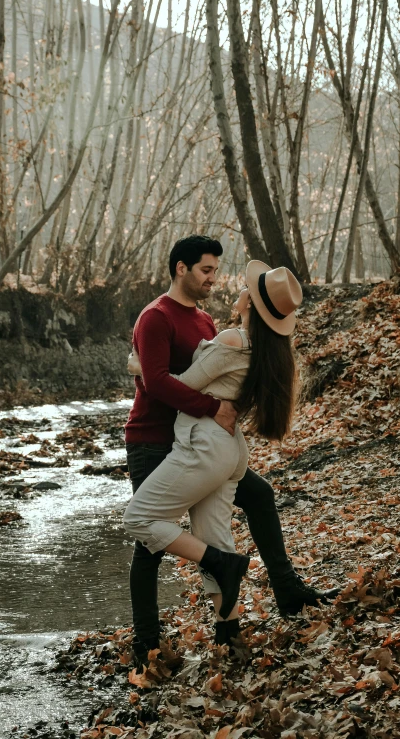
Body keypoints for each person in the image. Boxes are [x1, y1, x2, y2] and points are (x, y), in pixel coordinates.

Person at [123, 236, 339, 664]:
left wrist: (221, 407)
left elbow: (205, 379)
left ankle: (244, 619)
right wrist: (211, 405)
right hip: (153, 438)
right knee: (150, 544)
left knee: (233, 513)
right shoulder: (155, 317)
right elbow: (163, 383)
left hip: (201, 444)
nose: (213, 278)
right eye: (206, 270)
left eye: (216, 271)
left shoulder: (206, 324)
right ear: (180, 268)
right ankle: (148, 642)